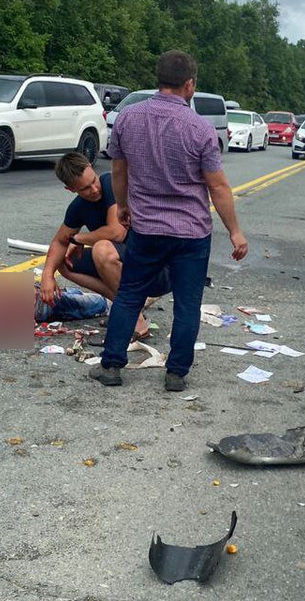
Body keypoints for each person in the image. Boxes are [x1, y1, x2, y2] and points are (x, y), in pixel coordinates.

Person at [94, 50, 247, 390]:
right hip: (191, 233)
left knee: (129, 295)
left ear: (158, 79)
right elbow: (218, 186)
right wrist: (235, 232)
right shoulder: (201, 129)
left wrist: (122, 206)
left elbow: (118, 170)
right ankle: (176, 373)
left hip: (146, 228)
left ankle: (111, 366)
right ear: (189, 84)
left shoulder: (128, 119)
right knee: (188, 303)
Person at [39, 152, 164, 340]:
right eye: (85, 188)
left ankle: (136, 321)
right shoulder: (78, 207)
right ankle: (130, 304)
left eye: (93, 181)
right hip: (128, 264)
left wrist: (78, 239)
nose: (94, 189)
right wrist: (47, 276)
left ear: (91, 167)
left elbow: (117, 232)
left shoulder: (110, 183)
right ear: (70, 189)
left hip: (156, 263)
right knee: (65, 263)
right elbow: (59, 241)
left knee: (102, 249)